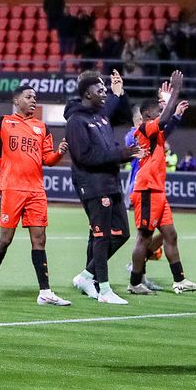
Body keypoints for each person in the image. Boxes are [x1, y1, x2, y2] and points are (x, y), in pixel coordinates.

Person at [0, 85, 73, 306]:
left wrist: (59, 153)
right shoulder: (3, 122)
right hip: (12, 189)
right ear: (16, 101)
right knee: (5, 239)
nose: (33, 100)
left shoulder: (42, 127)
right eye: (29, 97)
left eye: (35, 97)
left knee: (39, 240)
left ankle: (45, 291)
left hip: (36, 191)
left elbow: (48, 160)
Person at [66, 75, 146, 305]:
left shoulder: (101, 116)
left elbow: (122, 112)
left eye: (105, 90)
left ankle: (86, 276)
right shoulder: (76, 121)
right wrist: (121, 154)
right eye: (100, 90)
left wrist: (120, 93)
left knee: (122, 233)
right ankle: (104, 290)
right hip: (92, 184)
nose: (104, 93)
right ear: (87, 94)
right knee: (101, 237)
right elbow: (83, 156)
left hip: (111, 182)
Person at [127, 75, 196, 296]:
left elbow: (166, 125)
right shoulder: (144, 129)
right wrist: (175, 92)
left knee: (170, 234)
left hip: (158, 190)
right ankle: (135, 283)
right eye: (158, 112)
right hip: (147, 190)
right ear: (147, 115)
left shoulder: (156, 132)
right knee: (144, 238)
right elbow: (162, 122)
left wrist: (174, 111)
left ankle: (179, 280)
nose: (162, 114)